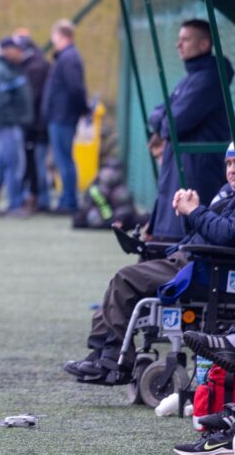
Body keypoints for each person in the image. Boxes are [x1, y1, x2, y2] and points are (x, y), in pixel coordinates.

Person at [64, 144, 235, 385]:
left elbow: (226, 234)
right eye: (229, 163)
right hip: (194, 260)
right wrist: (190, 212)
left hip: (206, 268)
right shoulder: (227, 192)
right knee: (123, 280)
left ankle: (114, 361)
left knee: (124, 279)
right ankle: (101, 352)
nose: (231, 169)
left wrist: (195, 211)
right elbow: (206, 230)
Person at [146, 19, 233, 242]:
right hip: (184, 169)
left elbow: (172, 124)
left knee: (183, 242)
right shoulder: (192, 78)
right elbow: (157, 114)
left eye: (185, 39)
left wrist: (164, 121)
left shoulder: (210, 78)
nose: (178, 44)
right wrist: (164, 119)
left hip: (198, 172)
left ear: (204, 45)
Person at [41, 19, 89, 214]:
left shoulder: (68, 58)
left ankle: (69, 201)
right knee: (63, 159)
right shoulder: (67, 57)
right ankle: (66, 199)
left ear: (61, 36)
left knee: (64, 160)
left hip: (63, 117)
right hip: (61, 116)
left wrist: (82, 109)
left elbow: (75, 88)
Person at [0, 36, 33, 217]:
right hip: (9, 126)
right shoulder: (0, 70)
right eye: (17, 49)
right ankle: (14, 204)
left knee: (3, 164)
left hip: (10, 125)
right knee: (14, 165)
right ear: (7, 50)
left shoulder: (8, 68)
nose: (20, 53)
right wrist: (16, 119)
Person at [14, 33, 51, 213]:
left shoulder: (33, 68)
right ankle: (39, 197)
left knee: (36, 162)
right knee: (35, 161)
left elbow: (33, 98)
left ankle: (40, 199)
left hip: (36, 124)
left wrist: (26, 120)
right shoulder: (38, 63)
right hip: (39, 122)